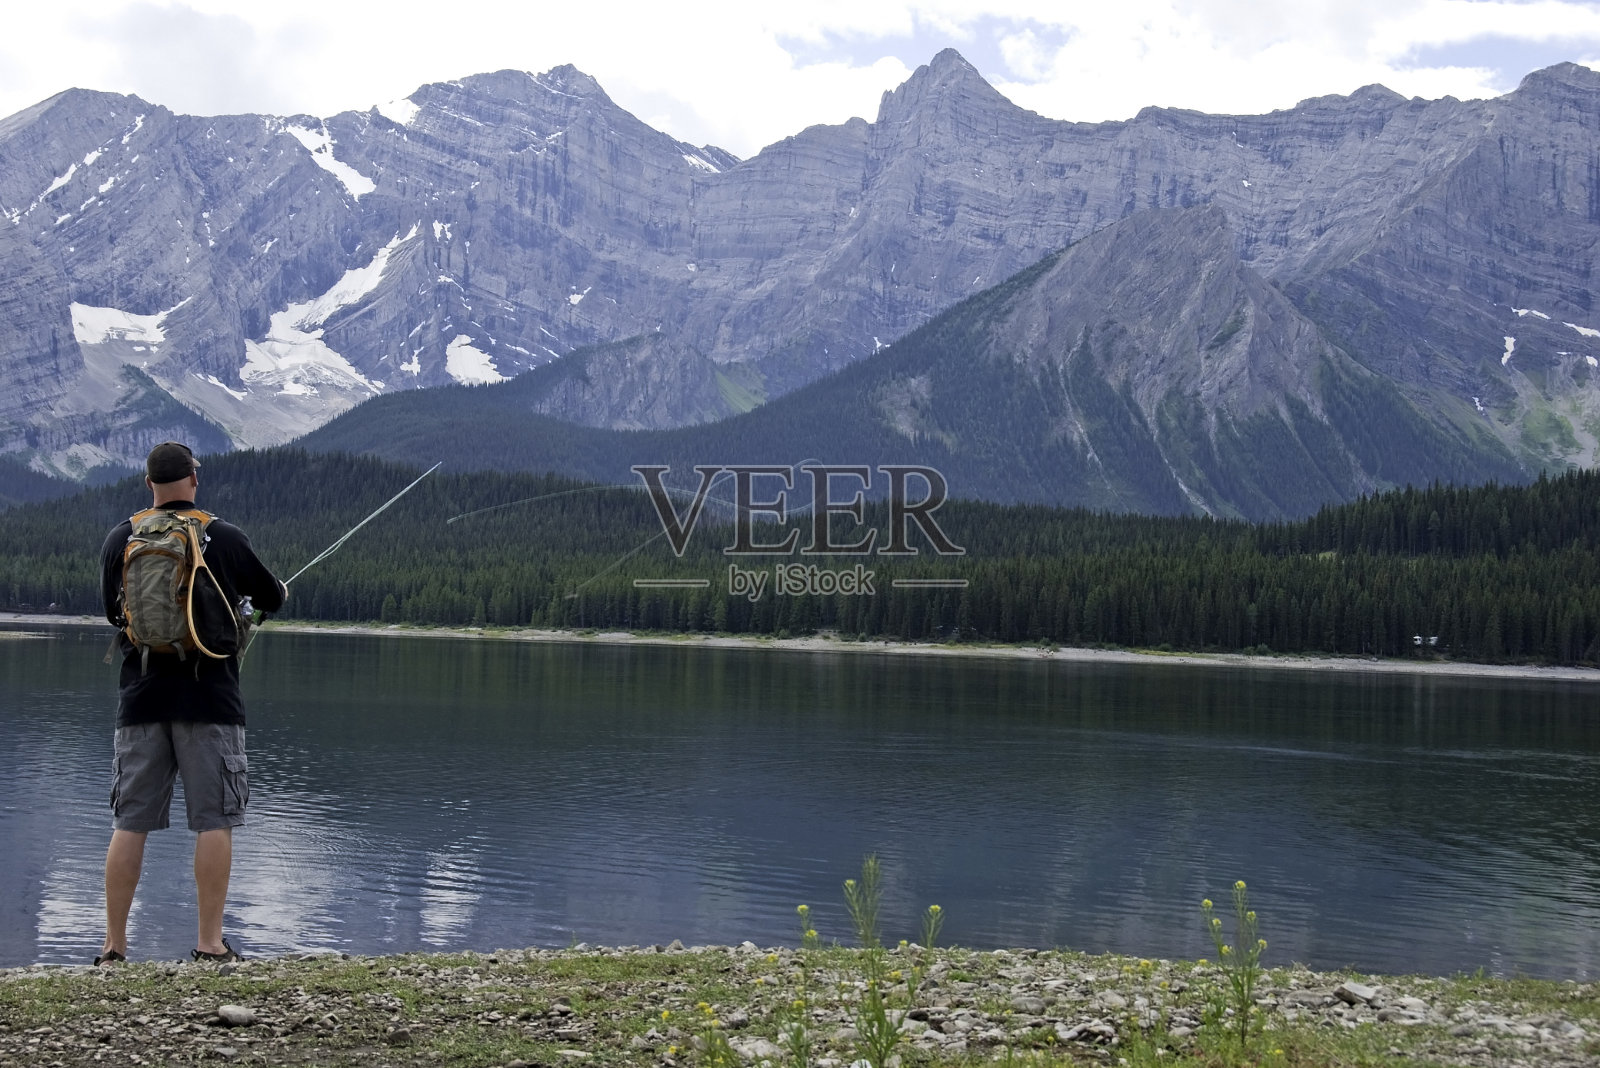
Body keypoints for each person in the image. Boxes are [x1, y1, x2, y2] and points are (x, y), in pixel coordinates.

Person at [95, 442, 286, 965]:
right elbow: (271, 597)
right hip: (211, 700)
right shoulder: (222, 536)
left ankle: (114, 946)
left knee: (129, 821)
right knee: (214, 820)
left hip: (140, 699)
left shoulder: (122, 537)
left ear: (148, 483)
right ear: (193, 480)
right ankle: (209, 942)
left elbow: (114, 617)